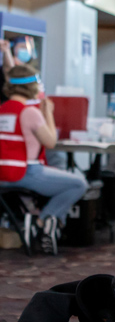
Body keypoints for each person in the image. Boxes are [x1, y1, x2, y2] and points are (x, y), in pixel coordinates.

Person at [0, 65, 88, 255]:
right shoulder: (29, 113)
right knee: (78, 184)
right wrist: (48, 112)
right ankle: (41, 222)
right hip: (26, 172)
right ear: (32, 86)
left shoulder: (3, 109)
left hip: (3, 174)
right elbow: (50, 142)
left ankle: (47, 223)